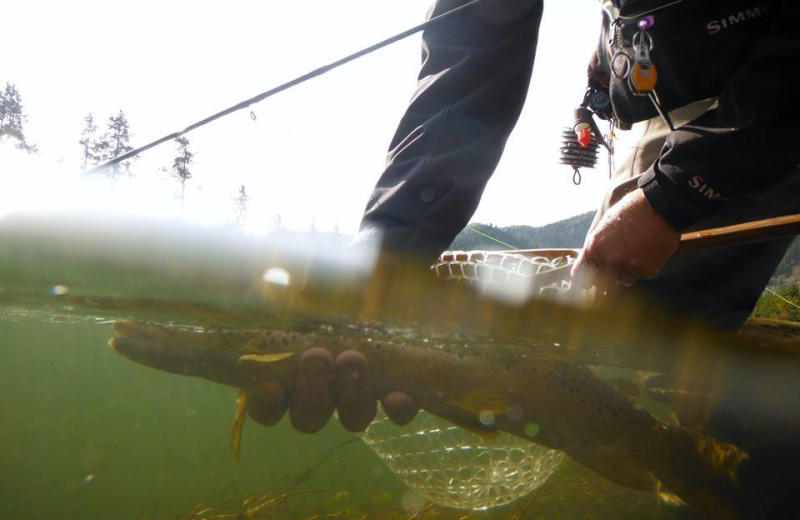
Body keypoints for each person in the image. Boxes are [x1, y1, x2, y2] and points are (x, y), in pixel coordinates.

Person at [248, 0, 800, 437]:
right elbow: (470, 53)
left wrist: (678, 191)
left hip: (762, 83)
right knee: (624, 362)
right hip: (661, 102)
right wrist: (387, 256)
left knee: (664, 355)